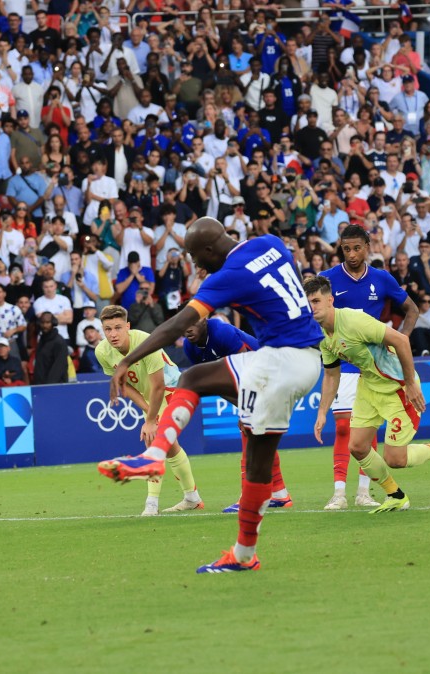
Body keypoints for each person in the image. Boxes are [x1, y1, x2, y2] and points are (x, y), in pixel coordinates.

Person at [98, 218, 323, 574]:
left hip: (283, 358)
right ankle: (244, 555)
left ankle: (155, 456)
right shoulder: (271, 243)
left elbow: (175, 324)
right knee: (257, 461)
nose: (198, 268)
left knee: (194, 376)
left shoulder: (227, 275)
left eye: (196, 259)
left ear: (207, 250)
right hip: (308, 358)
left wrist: (128, 359)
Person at [306, 275, 430, 515]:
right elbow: (331, 375)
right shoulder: (323, 336)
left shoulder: (353, 321)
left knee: (395, 459)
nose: (312, 307)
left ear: (330, 300)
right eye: (308, 303)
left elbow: (401, 340)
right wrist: (321, 412)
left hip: (397, 387)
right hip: (369, 386)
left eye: (316, 301)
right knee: (357, 446)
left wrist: (410, 383)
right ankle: (395, 496)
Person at [318, 224, 419, 510]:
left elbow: (412, 310)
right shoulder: (326, 281)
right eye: (346, 248)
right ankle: (339, 493)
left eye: (357, 248)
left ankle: (364, 492)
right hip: (344, 362)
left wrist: (402, 340)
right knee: (342, 428)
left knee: (366, 430)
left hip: (374, 365)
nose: (351, 254)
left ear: (367, 246)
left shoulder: (382, 279)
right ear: (340, 247)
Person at [95, 305, 204, 516]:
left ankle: (151, 504)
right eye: (108, 329)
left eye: (118, 328)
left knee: (154, 439)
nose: (113, 334)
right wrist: (149, 414)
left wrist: (152, 419)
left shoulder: (146, 341)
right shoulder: (102, 351)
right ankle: (192, 497)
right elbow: (124, 385)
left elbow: (158, 386)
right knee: (169, 446)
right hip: (151, 397)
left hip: (172, 390)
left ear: (128, 326)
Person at [180, 316, 293, 514]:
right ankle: (280, 494)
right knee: (256, 435)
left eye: (192, 322)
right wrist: (244, 406)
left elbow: (247, 369)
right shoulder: (190, 348)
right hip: (252, 383)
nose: (187, 329)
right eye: (183, 325)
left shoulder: (222, 332)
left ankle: (249, 499)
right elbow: (215, 384)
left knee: (249, 433)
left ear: (204, 320)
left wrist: (247, 408)